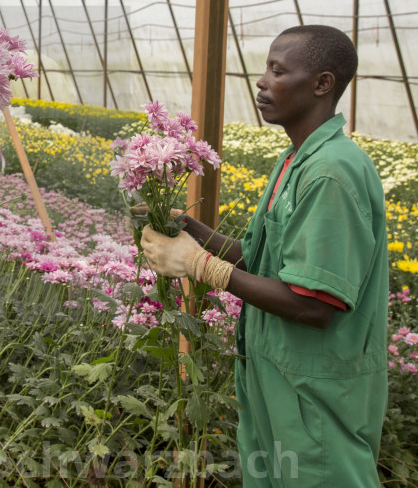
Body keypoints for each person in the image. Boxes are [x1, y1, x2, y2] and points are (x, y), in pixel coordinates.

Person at [140, 25, 388, 487]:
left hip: (314, 394)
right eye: (265, 69)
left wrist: (199, 265)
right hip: (279, 381)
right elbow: (262, 260)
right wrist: (190, 229)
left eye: (278, 70)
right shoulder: (297, 160)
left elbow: (313, 304)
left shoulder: (331, 173)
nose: (261, 81)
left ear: (322, 84)